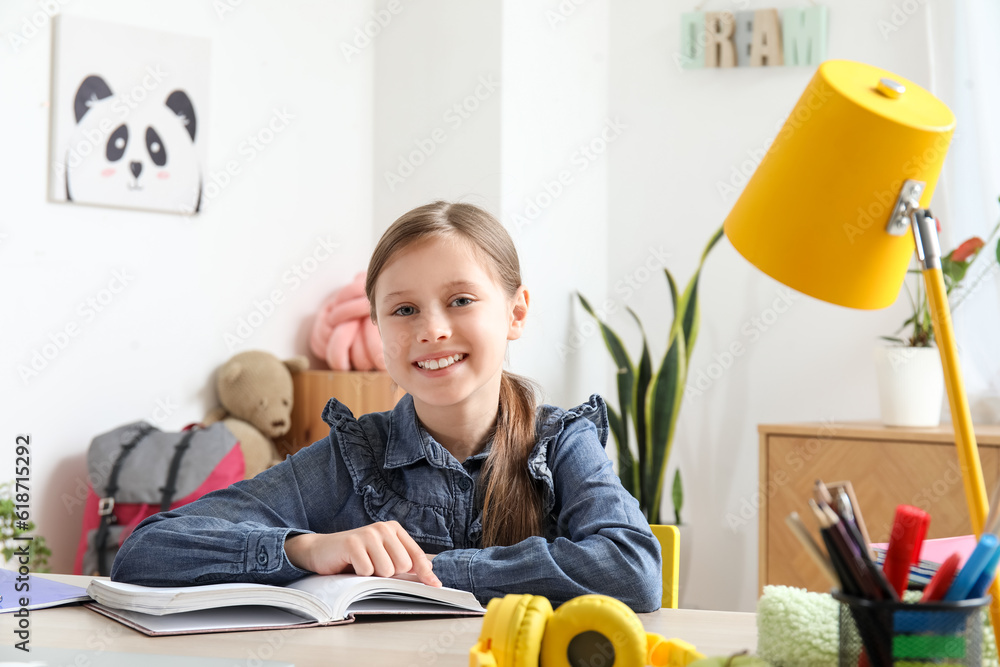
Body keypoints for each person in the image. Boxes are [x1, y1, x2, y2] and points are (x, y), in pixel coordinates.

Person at [112, 201, 661, 611]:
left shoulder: (562, 443)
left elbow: (632, 570)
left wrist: (422, 574)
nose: (432, 330)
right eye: (403, 310)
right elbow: (146, 552)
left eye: (461, 300)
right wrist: (306, 550)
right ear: (377, 331)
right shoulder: (350, 458)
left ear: (516, 312)